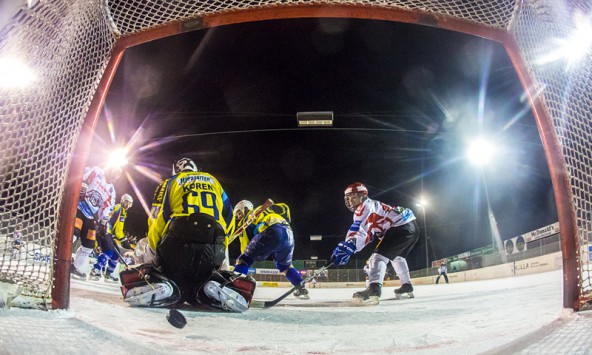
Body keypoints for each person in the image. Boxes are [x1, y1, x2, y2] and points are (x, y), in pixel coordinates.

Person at [120, 158, 255, 312]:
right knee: (220, 233)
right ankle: (217, 281)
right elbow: (229, 217)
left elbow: (157, 218)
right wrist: (221, 244)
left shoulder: (171, 182)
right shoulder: (214, 181)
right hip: (212, 250)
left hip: (177, 245)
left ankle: (156, 280)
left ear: (175, 170)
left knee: (144, 243)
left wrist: (153, 255)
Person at [331, 182, 420, 304]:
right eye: (348, 198)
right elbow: (367, 232)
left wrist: (350, 245)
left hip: (400, 227)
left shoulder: (364, 208)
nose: (350, 201)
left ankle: (374, 289)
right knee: (397, 257)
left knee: (377, 258)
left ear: (363, 196)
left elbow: (361, 231)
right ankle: (406, 285)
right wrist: (351, 245)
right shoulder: (370, 205)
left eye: (354, 197)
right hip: (412, 226)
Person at [232, 200, 309, 300]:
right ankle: (301, 288)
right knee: (285, 265)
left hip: (270, 230)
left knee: (243, 259)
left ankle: (235, 289)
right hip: (288, 232)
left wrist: (246, 258)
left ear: (245, 208)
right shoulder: (267, 209)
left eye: (238, 213)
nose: (238, 217)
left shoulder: (246, 220)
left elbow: (245, 248)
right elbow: (285, 207)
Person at [71, 165, 122, 279]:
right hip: (79, 208)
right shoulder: (97, 172)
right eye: (114, 172)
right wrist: (83, 185)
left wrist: (104, 221)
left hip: (90, 216)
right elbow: (83, 176)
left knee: (88, 245)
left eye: (117, 175)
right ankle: (61, 258)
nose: (114, 176)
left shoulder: (111, 190)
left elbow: (107, 207)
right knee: (73, 234)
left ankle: (74, 267)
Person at [89, 194, 134, 282]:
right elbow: (106, 215)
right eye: (126, 202)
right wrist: (103, 226)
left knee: (116, 254)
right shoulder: (117, 208)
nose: (127, 205)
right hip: (104, 231)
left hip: (109, 233)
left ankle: (109, 273)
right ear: (122, 201)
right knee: (108, 251)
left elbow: (118, 230)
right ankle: (95, 270)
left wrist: (124, 240)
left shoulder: (123, 212)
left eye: (130, 204)